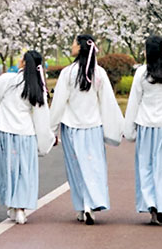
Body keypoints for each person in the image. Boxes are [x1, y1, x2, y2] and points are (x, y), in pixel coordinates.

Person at [0, 50, 55, 225]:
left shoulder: (8, 80)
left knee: (7, 169)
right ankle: (21, 209)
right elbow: (42, 116)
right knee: (23, 171)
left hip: (4, 131)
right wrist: (47, 140)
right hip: (25, 133)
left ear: (24, 63)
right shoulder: (37, 85)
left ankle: (11, 204)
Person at [49, 34, 123, 225]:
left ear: (80, 47)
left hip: (72, 127)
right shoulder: (99, 73)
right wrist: (116, 126)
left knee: (76, 168)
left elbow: (59, 103)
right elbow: (107, 102)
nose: (71, 45)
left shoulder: (67, 72)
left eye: (73, 43)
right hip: (93, 128)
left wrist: (51, 128)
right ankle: (93, 203)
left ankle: (83, 206)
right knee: (95, 166)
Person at [123, 35, 162, 225]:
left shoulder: (142, 73)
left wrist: (129, 130)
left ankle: (151, 204)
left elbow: (134, 102)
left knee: (146, 166)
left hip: (145, 126)